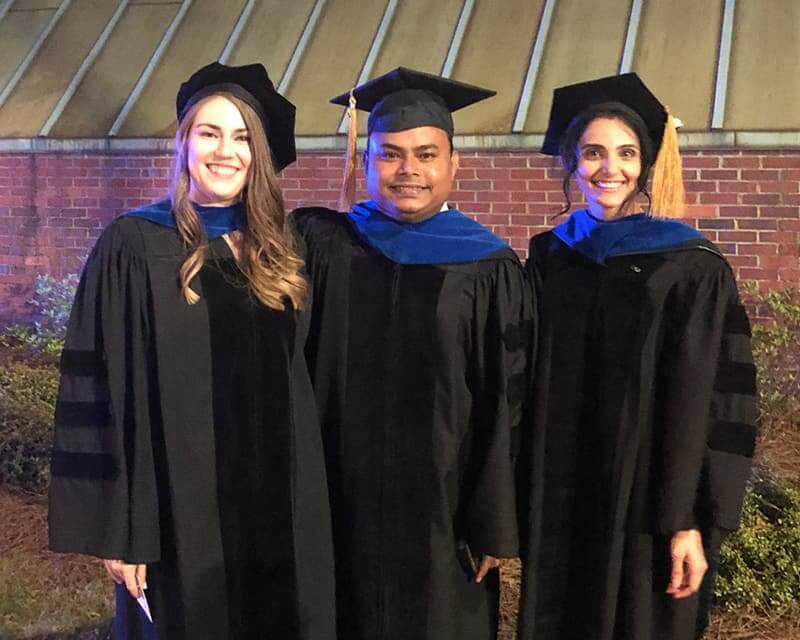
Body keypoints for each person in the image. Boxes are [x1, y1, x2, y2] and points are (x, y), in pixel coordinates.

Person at [48, 62, 335, 640]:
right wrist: (122, 531)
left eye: (241, 137)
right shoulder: (134, 245)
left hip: (283, 509)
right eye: (209, 133)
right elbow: (101, 391)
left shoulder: (287, 248)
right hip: (179, 517)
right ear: (184, 143)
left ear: (260, 154)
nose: (225, 151)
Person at [292, 67, 534, 640]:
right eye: (390, 155)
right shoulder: (324, 247)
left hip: (444, 517)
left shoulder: (488, 267)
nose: (409, 171)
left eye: (426, 155)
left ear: (454, 165)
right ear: (365, 161)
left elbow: (509, 400)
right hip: (335, 502)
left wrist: (494, 522)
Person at [516, 73, 757, 640]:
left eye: (626, 153)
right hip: (563, 504)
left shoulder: (691, 267)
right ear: (571, 164)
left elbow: (717, 401)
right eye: (593, 153)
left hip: (653, 508)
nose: (609, 169)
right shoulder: (549, 258)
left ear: (646, 164)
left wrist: (691, 522)